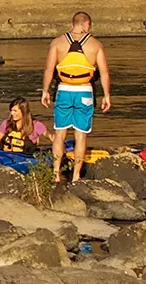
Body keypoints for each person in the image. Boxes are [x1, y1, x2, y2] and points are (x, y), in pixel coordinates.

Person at [39, 11, 111, 184]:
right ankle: (76, 176)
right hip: (84, 92)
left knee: (59, 134)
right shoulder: (95, 44)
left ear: (72, 25)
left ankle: (56, 173)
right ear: (88, 25)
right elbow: (104, 73)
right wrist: (107, 95)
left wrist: (45, 91)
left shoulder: (57, 43)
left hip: (64, 90)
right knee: (81, 136)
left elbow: (49, 70)